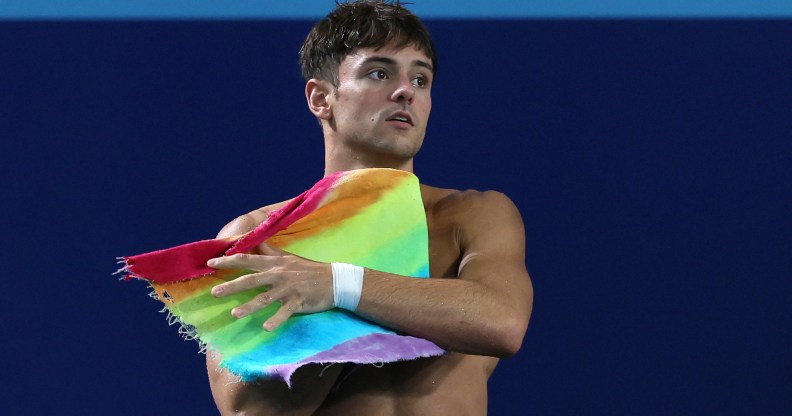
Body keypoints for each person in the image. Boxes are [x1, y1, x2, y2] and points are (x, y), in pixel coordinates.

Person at [205, 1, 533, 414]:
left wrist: (337, 286)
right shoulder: (254, 237)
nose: (405, 91)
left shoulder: (471, 214)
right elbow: (249, 411)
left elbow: (501, 322)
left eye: (421, 78)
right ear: (321, 98)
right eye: (379, 73)